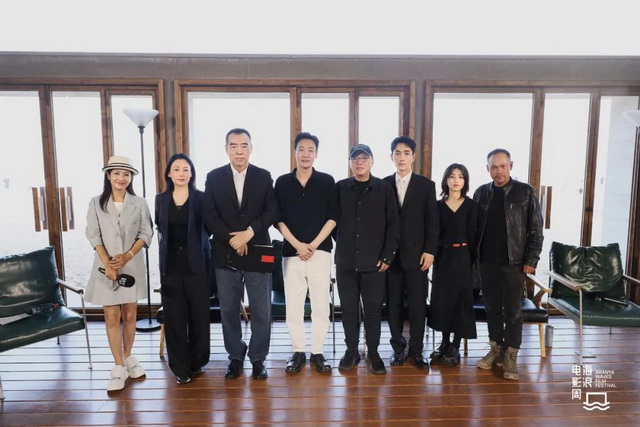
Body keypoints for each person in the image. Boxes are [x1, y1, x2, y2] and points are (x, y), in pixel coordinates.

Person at [203, 128, 279, 380]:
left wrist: (248, 233)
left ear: (250, 149)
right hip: (225, 252)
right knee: (228, 309)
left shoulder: (263, 176)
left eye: (243, 146)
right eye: (233, 146)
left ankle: (258, 357)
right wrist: (233, 239)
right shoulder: (214, 177)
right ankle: (235, 355)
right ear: (226, 149)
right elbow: (210, 215)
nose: (239, 151)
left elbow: (271, 211)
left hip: (257, 250)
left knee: (261, 309)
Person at [473, 148, 543, 380]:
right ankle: (496, 350)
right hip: (486, 262)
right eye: (494, 167)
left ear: (511, 166)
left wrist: (531, 260)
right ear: (488, 169)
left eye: (503, 166)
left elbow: (536, 230)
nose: (499, 171)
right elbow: (474, 227)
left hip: (514, 263)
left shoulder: (525, 192)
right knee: (492, 309)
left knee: (513, 312)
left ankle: (511, 355)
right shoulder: (481, 193)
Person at [85, 156, 153, 392]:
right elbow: (93, 234)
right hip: (105, 268)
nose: (121, 178)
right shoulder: (96, 203)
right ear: (108, 175)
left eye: (126, 174)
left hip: (131, 265)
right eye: (116, 173)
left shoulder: (139, 203)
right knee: (112, 316)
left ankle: (128, 356)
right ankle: (118, 366)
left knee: (130, 315)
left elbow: (146, 233)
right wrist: (109, 263)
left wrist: (127, 256)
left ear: (131, 178)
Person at [275, 132, 337, 374]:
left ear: (316, 153)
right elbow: (277, 219)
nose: (305, 154)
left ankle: (318, 352)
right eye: (301, 149)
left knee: (321, 305)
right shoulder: (282, 182)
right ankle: (298, 351)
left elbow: (333, 217)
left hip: (320, 252)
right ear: (294, 152)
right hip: (292, 253)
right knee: (294, 305)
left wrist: (312, 245)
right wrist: (298, 245)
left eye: (310, 150)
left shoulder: (327, 181)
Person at [335, 144, 399, 375]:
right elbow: (332, 223)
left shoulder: (384, 189)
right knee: (349, 310)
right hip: (346, 263)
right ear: (350, 163)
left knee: (373, 311)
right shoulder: (340, 188)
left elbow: (394, 224)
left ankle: (373, 352)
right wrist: (344, 244)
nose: (359, 162)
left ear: (372, 162)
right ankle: (351, 351)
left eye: (364, 158)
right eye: (355, 159)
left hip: (375, 264)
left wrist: (387, 256)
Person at [383, 136, 438, 371]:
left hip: (417, 256)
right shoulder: (383, 184)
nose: (401, 157)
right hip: (390, 257)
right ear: (391, 157)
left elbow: (432, 221)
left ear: (413, 157)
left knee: (418, 306)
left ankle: (416, 351)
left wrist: (430, 250)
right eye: (397, 153)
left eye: (406, 153)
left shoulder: (426, 185)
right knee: (393, 305)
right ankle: (397, 348)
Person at [155, 153, 211, 384]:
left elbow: (209, 229)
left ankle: (197, 362)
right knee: (175, 319)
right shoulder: (160, 200)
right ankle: (180, 368)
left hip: (197, 266)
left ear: (191, 174)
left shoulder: (201, 198)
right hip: (170, 268)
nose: (181, 173)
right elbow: (159, 227)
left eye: (186, 169)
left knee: (199, 317)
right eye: (176, 169)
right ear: (169, 173)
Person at [428, 163, 478, 366]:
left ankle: (455, 346)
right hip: (442, 257)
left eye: (460, 176)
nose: (456, 180)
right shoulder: (437, 206)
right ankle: (444, 343)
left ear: (465, 181)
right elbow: (433, 233)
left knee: (460, 301)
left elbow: (474, 236)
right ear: (446, 180)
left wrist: (472, 263)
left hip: (463, 256)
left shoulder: (472, 206)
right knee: (443, 300)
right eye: (452, 176)